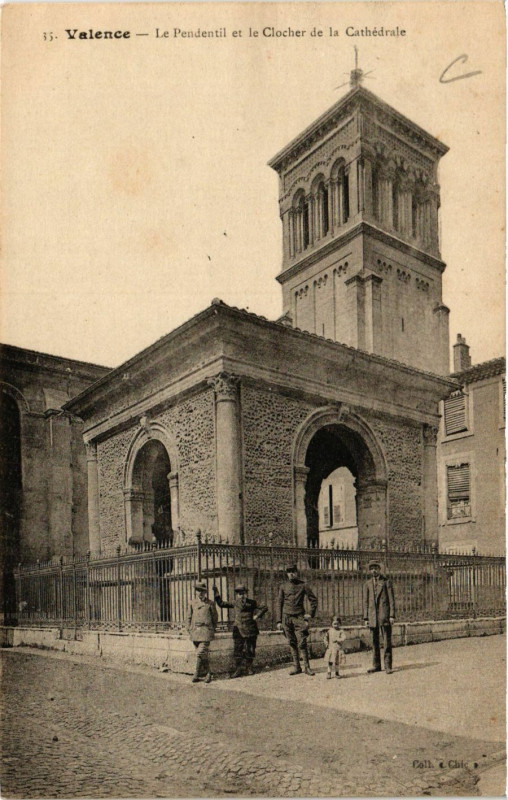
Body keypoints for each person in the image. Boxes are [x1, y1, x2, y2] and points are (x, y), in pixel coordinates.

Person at [213, 583, 268, 678]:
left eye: (243, 593)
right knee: (237, 650)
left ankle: (249, 667)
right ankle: (238, 669)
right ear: (237, 595)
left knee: (250, 649)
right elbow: (221, 604)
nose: (241, 595)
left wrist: (257, 616)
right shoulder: (235, 603)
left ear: (246, 594)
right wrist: (216, 593)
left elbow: (264, 607)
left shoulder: (252, 602)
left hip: (251, 629)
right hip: (238, 629)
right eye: (239, 593)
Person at [277, 564, 318, 676]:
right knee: (291, 642)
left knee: (302, 642)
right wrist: (279, 621)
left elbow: (313, 600)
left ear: (296, 572)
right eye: (289, 572)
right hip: (286, 618)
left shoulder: (303, 585)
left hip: (299, 617)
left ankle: (307, 667)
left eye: (293, 571)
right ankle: (297, 667)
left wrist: (309, 614)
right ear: (287, 573)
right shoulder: (283, 586)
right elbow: (279, 603)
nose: (291, 574)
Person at [363, 559, 395, 674]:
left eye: (376, 568)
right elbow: (366, 602)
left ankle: (388, 666)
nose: (374, 570)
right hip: (372, 617)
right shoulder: (367, 584)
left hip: (384, 616)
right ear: (370, 570)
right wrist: (365, 618)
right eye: (372, 568)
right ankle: (376, 665)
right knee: (374, 642)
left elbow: (391, 600)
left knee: (386, 641)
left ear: (379, 569)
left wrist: (392, 616)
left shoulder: (386, 582)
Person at [186, 580, 218, 684]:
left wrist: (211, 629)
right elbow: (188, 617)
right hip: (195, 632)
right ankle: (208, 673)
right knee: (202, 654)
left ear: (205, 592)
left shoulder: (210, 603)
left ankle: (196, 673)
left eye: (202, 591)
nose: (200, 593)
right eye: (198, 590)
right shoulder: (192, 603)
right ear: (196, 592)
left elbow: (215, 618)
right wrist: (189, 629)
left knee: (200, 652)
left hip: (206, 631)